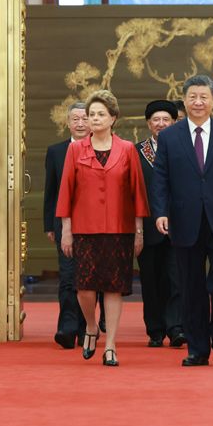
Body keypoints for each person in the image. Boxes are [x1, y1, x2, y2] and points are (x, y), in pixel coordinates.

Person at [152, 74, 213, 367]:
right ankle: (197, 349)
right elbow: (160, 179)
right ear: (184, 100)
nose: (198, 102)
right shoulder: (169, 136)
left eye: (203, 97)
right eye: (193, 97)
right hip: (184, 220)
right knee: (191, 286)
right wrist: (160, 212)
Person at [56, 90, 150, 366]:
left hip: (119, 229)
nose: (94, 119)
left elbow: (137, 192)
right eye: (91, 114)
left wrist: (139, 231)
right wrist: (66, 229)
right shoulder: (76, 149)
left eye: (100, 114)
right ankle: (90, 325)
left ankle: (111, 346)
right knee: (84, 288)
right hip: (85, 228)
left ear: (113, 118)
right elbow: (66, 192)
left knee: (113, 288)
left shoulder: (127, 149)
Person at [43, 102, 105, 349]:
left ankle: (85, 327)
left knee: (89, 277)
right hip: (64, 223)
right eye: (75, 119)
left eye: (84, 119)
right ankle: (67, 328)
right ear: (67, 123)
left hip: (94, 223)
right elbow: (50, 191)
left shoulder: (102, 148)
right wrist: (50, 224)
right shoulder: (56, 151)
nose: (80, 124)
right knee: (68, 276)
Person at [136, 100, 186, 348]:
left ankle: (176, 328)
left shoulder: (185, 148)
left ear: (175, 122)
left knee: (178, 279)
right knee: (151, 280)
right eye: (156, 119)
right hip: (147, 227)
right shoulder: (136, 152)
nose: (161, 124)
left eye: (166, 119)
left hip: (180, 224)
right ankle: (155, 330)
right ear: (148, 124)